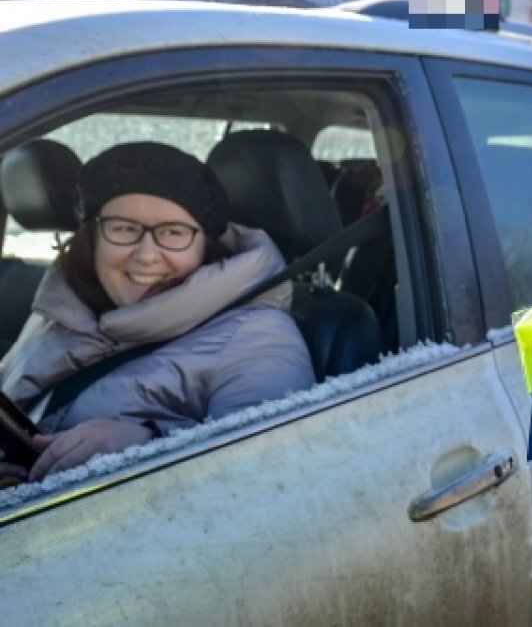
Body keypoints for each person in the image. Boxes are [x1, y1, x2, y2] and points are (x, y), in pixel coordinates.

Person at [0, 141, 314, 483]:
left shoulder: (260, 339)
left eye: (173, 232)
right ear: (92, 237)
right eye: (124, 229)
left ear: (203, 245)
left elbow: (270, 481)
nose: (147, 255)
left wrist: (148, 444)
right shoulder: (59, 308)